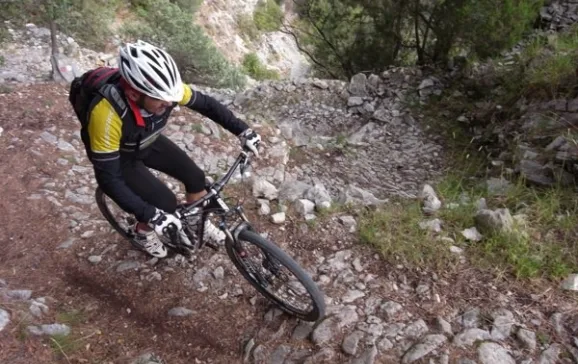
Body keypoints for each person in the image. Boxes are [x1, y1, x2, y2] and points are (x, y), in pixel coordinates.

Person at [77, 40, 261, 258]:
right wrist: (151, 215)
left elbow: (206, 104)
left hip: (147, 139)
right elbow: (109, 179)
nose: (170, 105)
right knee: (164, 203)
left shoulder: (165, 91)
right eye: (163, 103)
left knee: (196, 177)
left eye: (172, 101)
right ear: (135, 94)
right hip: (121, 156)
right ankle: (142, 232)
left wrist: (243, 131)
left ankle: (195, 223)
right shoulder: (105, 115)